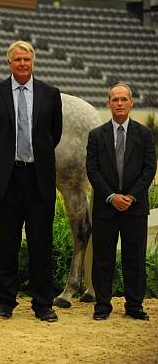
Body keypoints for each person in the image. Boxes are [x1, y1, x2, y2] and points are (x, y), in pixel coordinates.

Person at [0, 40, 62, 322]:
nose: (22, 64)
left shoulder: (51, 94)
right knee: (5, 246)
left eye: (27, 59)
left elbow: (53, 135)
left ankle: (42, 304)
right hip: (6, 180)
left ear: (33, 62)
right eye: (17, 60)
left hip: (39, 180)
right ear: (9, 63)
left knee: (41, 246)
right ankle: (5, 303)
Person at [86, 83, 156, 321]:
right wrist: (111, 197)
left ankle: (134, 306)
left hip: (135, 208)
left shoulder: (145, 134)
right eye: (114, 99)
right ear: (108, 104)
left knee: (134, 258)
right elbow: (92, 171)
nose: (119, 103)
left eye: (123, 99)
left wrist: (131, 197)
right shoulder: (96, 135)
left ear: (131, 103)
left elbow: (149, 169)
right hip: (105, 208)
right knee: (103, 259)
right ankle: (102, 306)